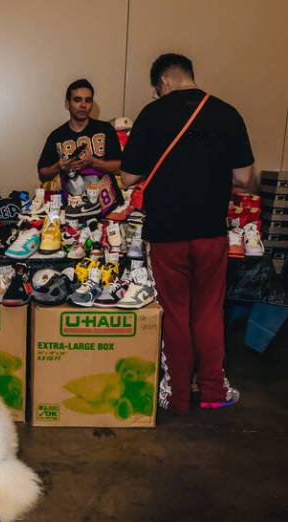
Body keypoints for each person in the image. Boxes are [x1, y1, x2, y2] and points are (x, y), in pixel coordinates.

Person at [120, 53, 254, 414]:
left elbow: (129, 178)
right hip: (211, 232)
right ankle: (212, 390)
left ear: (161, 83)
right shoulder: (227, 113)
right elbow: (246, 179)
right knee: (209, 311)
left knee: (175, 313)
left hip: (166, 234)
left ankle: (177, 396)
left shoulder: (152, 114)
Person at [37, 79, 122, 210]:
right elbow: (43, 174)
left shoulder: (105, 129)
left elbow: (120, 167)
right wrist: (59, 166)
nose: (83, 105)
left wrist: (94, 162)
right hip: (73, 208)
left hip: (107, 205)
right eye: (77, 100)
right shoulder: (57, 136)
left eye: (88, 100)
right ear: (67, 104)